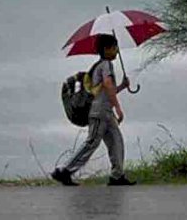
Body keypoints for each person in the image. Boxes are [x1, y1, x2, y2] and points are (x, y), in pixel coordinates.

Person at [51, 34, 137, 186]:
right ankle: (65, 171)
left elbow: (106, 91)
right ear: (106, 49)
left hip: (106, 113)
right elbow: (108, 84)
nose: (117, 51)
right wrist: (118, 107)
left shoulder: (100, 67)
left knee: (116, 141)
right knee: (91, 142)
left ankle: (117, 176)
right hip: (99, 112)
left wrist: (123, 86)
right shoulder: (106, 65)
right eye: (115, 47)